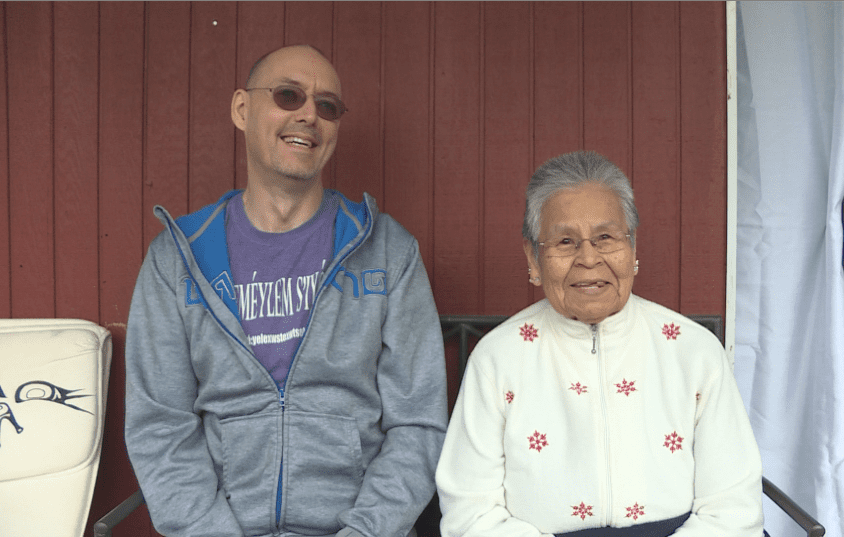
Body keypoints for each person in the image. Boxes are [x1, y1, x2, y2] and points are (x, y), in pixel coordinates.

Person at [125, 44, 448, 537]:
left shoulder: (387, 251)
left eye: (327, 106)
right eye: (288, 95)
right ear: (242, 108)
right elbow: (160, 425)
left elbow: (418, 425)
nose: (309, 116)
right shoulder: (178, 258)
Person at [435, 151, 764, 537]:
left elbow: (733, 507)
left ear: (633, 248)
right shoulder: (497, 358)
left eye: (606, 238)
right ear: (534, 258)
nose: (588, 258)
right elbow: (470, 512)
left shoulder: (693, 351)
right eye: (565, 241)